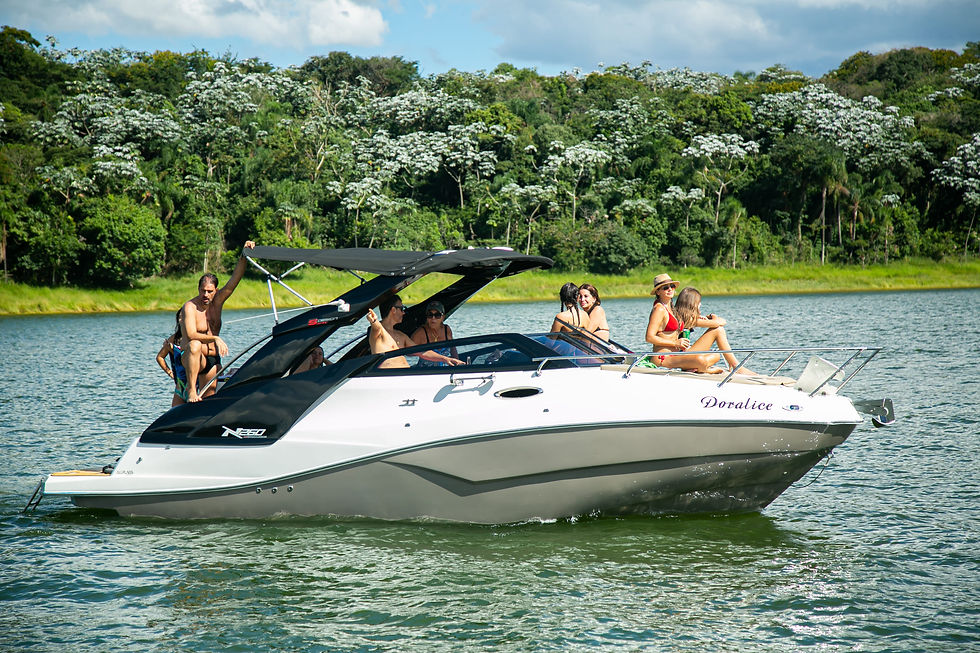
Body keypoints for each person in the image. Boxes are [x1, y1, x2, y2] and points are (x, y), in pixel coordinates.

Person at [181, 240, 256, 401]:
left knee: (208, 400)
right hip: (194, 359)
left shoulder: (218, 301)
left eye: (209, 291)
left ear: (216, 291)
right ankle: (191, 390)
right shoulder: (190, 307)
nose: (205, 295)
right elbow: (191, 334)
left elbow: (235, 280)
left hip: (213, 360)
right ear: (198, 289)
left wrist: (244, 254)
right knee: (194, 345)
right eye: (203, 291)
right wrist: (215, 337)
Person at [644, 273, 723, 373]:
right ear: (658, 292)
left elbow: (685, 319)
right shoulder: (659, 309)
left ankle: (731, 366)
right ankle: (705, 370)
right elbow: (649, 337)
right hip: (663, 358)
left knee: (716, 355)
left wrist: (701, 317)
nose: (670, 289)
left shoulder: (672, 308)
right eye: (665, 287)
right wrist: (675, 343)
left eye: (672, 286)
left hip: (679, 355)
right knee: (700, 360)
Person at [365, 295, 464, 369]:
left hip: (407, 377)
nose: (404, 312)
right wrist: (374, 321)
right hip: (389, 379)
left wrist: (445, 359)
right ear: (393, 310)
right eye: (402, 308)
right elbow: (377, 328)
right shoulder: (378, 333)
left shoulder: (401, 336)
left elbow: (422, 352)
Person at [673, 286, 755, 375]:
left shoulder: (680, 316)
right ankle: (735, 366)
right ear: (693, 304)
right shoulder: (688, 320)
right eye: (698, 303)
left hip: (685, 356)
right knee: (718, 330)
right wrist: (713, 317)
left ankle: (697, 368)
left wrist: (705, 319)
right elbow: (720, 323)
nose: (700, 305)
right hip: (683, 358)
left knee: (716, 356)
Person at [410, 300, 459, 367]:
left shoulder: (446, 329)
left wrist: (457, 364)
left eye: (437, 315)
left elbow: (453, 348)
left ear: (443, 317)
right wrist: (421, 352)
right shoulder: (421, 332)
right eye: (430, 315)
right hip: (425, 373)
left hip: (445, 371)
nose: (433, 318)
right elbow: (408, 352)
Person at [155, 310, 189, 407]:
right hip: (180, 384)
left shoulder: (195, 338)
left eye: (184, 317)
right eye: (179, 317)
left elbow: (188, 359)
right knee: (176, 416)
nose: (181, 320)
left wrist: (173, 350)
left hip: (195, 384)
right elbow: (160, 357)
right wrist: (170, 373)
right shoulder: (173, 339)